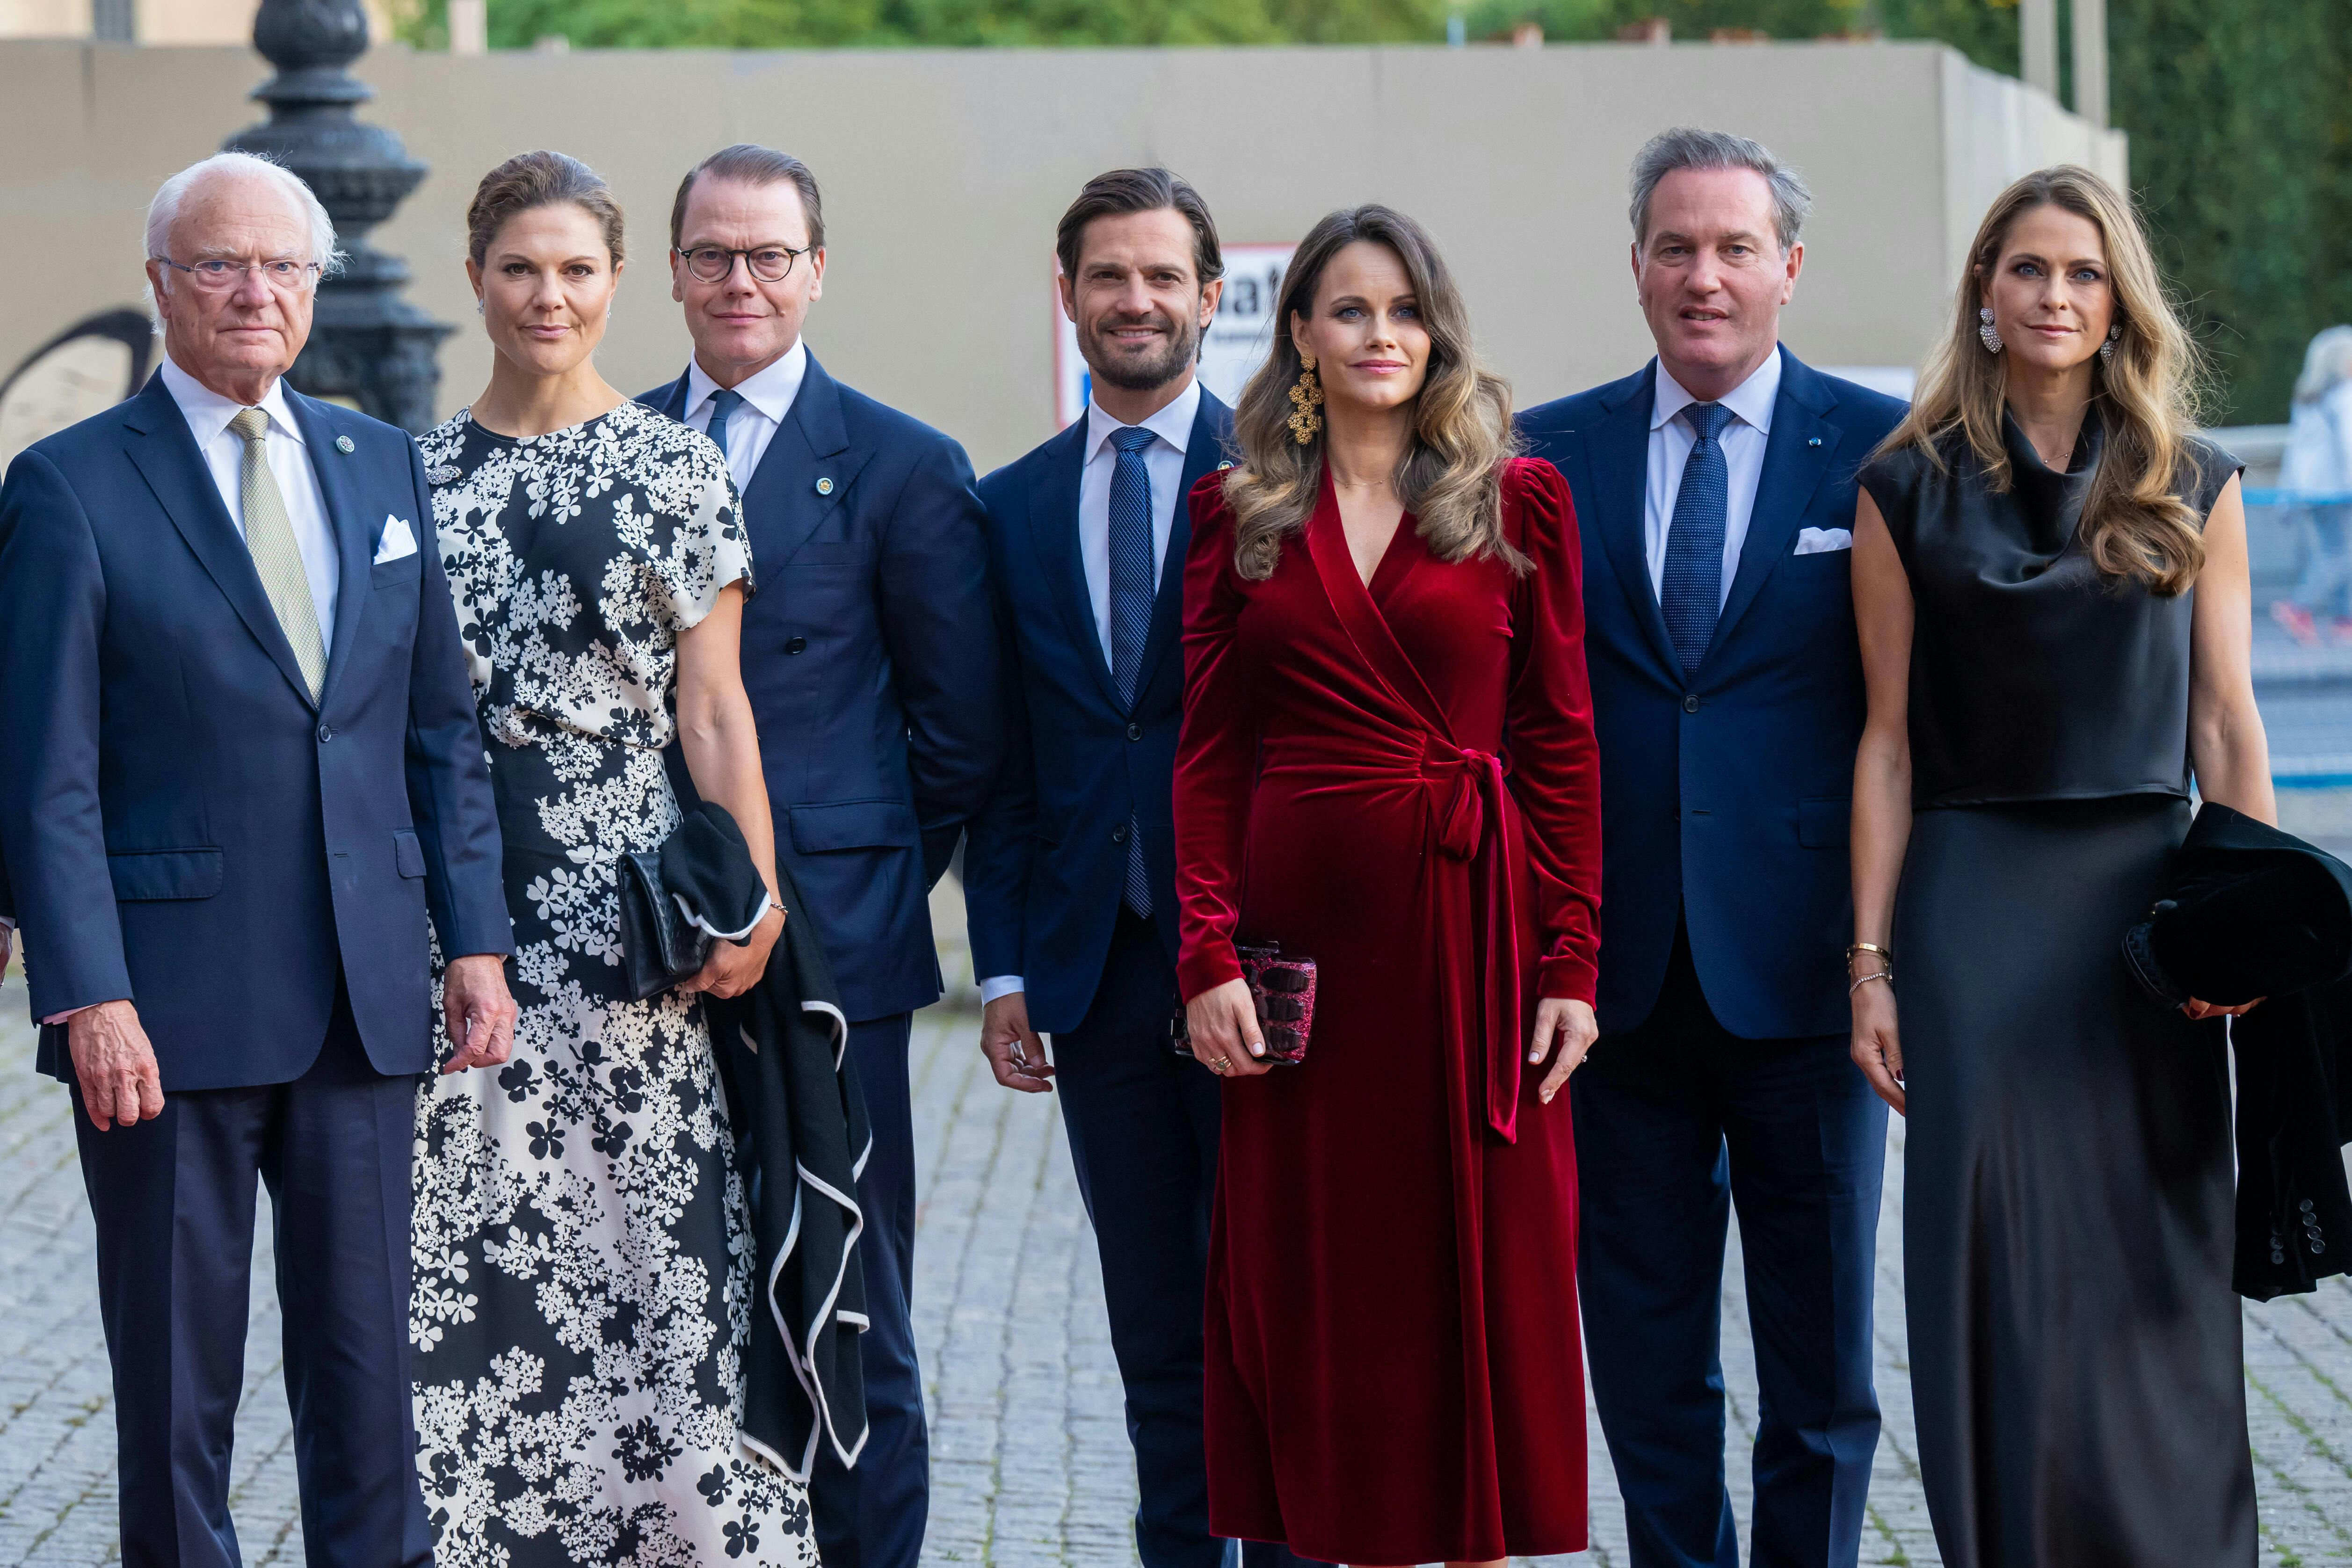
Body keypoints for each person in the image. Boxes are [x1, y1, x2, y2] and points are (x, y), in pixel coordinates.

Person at [0, 151, 517, 1568]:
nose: (254, 292)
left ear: (312, 287)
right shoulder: (67, 488)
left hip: (364, 996)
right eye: (220, 264)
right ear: (161, 284)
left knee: (368, 1362)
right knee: (178, 1374)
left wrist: (472, 942)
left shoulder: (378, 462)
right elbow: (41, 771)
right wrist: (85, 991)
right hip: (164, 1010)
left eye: (284, 266)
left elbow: (438, 731)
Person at [1849, 165, 2268, 1568]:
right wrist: (1869, 963)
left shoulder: (2191, 479)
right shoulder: (1900, 487)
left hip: (2144, 922)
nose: (2052, 295)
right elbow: (1888, 745)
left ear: (2115, 302)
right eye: (2025, 268)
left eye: (2081, 274)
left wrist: (2242, 925)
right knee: (1998, 1271)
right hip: (1970, 919)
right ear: (1981, 290)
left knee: (2152, 1262)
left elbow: (2222, 721)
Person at [1174, 203, 1601, 1568]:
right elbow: (1207, 760)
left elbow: (1557, 744)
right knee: (1319, 1296)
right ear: (1297, 330)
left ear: (1437, 330)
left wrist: (1570, 964)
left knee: (1473, 1293)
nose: (1378, 334)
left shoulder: (1515, 502)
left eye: (1403, 309)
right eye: (1348, 308)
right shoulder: (1234, 514)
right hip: (1303, 974)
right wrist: (1205, 957)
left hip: (1470, 959)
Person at [407, 151, 808, 1567]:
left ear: (616, 284)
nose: (548, 295)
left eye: (577, 270)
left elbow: (712, 710)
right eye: (520, 267)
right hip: (461, 915)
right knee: (475, 1256)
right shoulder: (413, 475)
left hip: (632, 928)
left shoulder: (672, 465)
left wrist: (750, 898)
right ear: (475, 280)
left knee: (648, 1248)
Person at [1517, 128, 1907, 1568]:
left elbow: (1906, 713)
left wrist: (1889, 951)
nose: (1703, 275)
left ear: (1787, 270)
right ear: (1633, 268)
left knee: (1817, 1363)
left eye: (1734, 247)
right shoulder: (1543, 453)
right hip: (1606, 983)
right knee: (1641, 1347)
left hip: (1805, 970)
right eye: (1674, 246)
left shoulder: (1882, 453)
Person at [640, 143, 1004, 1568]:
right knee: (670, 1290)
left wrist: (842, 878)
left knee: (850, 1290)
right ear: (670, 270)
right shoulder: (615, 449)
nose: (741, 280)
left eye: (768, 255)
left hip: (833, 953)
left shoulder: (906, 466)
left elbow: (960, 732)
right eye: (713, 254)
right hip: (643, 955)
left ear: (816, 269)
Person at [964, 167, 1306, 1568]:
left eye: (1162, 277)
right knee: (1157, 1330)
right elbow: (1001, 758)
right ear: (1068, 294)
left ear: (1211, 300)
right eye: (1107, 275)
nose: (1134, 300)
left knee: (1276, 1327)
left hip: (1265, 975)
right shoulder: (1010, 507)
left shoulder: (1287, 485)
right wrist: (999, 967)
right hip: (1097, 975)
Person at [2273, 325, 2352, 645]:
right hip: (2339, 490)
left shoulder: (2308, 399)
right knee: (2340, 554)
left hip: (2313, 492)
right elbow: (2350, 444)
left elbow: (2296, 452)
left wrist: (2286, 495)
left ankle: (2343, 621)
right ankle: (2299, 607)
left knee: (2340, 552)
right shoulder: (2344, 395)